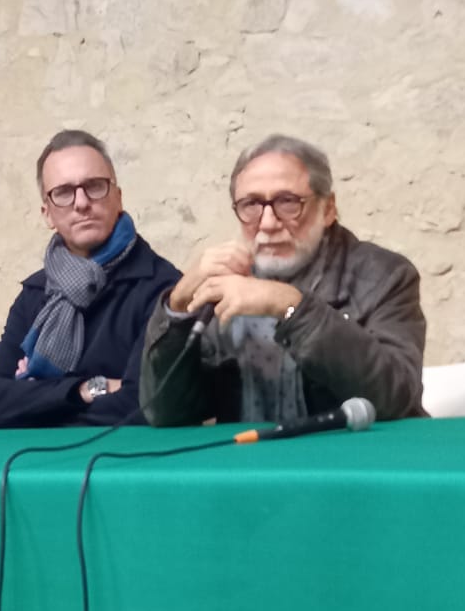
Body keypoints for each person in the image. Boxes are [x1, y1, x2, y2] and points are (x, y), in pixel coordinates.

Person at [140, 134, 425, 426]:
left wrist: (291, 305)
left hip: (348, 451)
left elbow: (397, 399)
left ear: (328, 209)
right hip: (250, 451)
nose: (267, 223)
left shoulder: (384, 276)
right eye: (251, 204)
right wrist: (177, 309)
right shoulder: (225, 280)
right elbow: (168, 414)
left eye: (288, 202)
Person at [0, 130, 180, 430]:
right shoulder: (35, 293)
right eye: (63, 192)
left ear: (118, 198)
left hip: (124, 457)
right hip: (41, 457)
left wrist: (34, 399)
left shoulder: (163, 289)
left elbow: (143, 404)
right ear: (47, 214)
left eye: (94, 186)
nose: (81, 203)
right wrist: (87, 389)